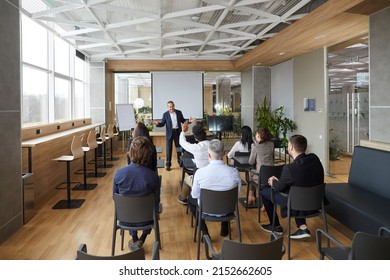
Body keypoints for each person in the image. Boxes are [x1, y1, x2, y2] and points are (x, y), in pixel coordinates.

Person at [260, 134, 324, 239]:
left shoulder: (289, 168)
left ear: (292, 147)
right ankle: (302, 228)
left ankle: (275, 226)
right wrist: (281, 181)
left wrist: (273, 182)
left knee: (264, 192)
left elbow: (279, 188)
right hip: (316, 202)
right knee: (297, 189)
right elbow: (300, 179)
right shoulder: (314, 159)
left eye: (288, 144)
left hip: (296, 203)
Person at [113, 136, 161, 251]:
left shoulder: (119, 174)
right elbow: (156, 202)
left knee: (128, 205)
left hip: (125, 219)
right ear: (148, 155)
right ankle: (142, 238)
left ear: (130, 153)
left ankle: (134, 239)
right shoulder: (153, 177)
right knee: (149, 207)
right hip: (147, 219)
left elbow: (115, 198)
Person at [188, 139, 242, 237]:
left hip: (206, 209)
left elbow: (195, 195)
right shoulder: (234, 172)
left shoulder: (200, 173)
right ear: (224, 153)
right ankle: (225, 227)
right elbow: (237, 195)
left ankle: (205, 232)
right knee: (226, 196)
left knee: (190, 199)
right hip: (227, 210)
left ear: (208, 155)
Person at [153, 101, 195, 171]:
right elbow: (162, 124)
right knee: (168, 149)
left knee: (179, 148)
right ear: (168, 107)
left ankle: (180, 162)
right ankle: (168, 164)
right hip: (169, 133)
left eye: (172, 106)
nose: (171, 108)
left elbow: (183, 121)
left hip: (177, 132)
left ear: (174, 106)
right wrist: (157, 124)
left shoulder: (179, 112)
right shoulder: (165, 114)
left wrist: (189, 121)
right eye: (169, 107)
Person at [177, 121, 210, 205]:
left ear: (195, 138)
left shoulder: (197, 148)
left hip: (200, 178)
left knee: (186, 180)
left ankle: (183, 198)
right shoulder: (213, 145)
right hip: (213, 178)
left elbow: (182, 142)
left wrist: (183, 131)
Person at [246, 127, 274, 205]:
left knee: (250, 172)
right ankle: (266, 201)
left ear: (258, 136)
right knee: (255, 172)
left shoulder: (255, 146)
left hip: (260, 176)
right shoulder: (271, 144)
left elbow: (251, 162)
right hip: (271, 176)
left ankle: (251, 196)